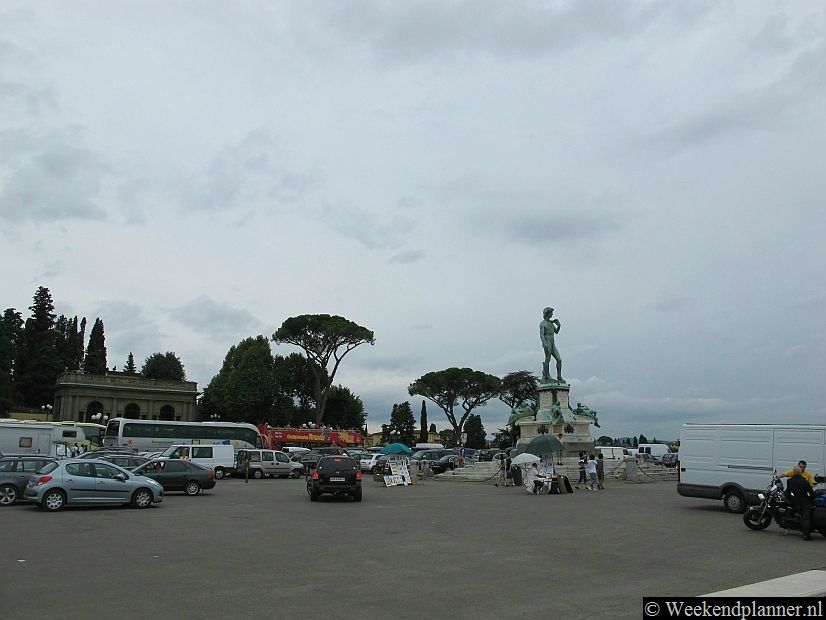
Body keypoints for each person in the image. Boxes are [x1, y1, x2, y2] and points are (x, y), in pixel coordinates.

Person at [785, 465, 815, 540]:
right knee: (806, 518)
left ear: (794, 472)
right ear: (800, 472)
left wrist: (792, 499)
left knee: (802, 516)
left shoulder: (789, 481)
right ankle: (806, 535)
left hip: (796, 502)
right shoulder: (804, 481)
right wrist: (812, 501)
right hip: (805, 502)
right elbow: (812, 493)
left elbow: (787, 493)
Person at [540, 306, 563, 382]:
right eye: (551, 313)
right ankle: (547, 375)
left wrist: (559, 325)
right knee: (548, 359)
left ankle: (559, 376)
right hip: (547, 343)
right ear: (548, 313)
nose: (552, 314)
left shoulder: (551, 323)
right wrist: (544, 343)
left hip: (553, 344)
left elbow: (556, 332)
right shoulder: (543, 324)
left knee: (559, 360)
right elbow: (542, 335)